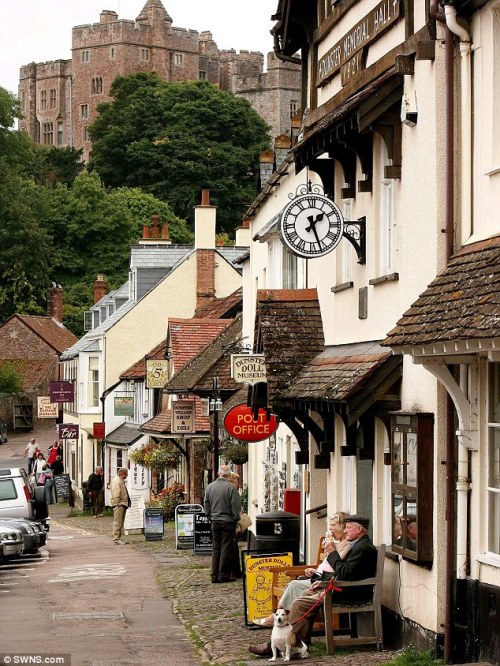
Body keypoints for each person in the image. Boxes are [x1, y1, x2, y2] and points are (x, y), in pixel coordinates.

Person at [249, 514, 378, 657]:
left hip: (350, 593)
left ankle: (285, 644)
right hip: (343, 588)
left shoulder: (362, 548)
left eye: (348, 528)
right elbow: (345, 573)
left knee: (299, 603)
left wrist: (332, 552)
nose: (346, 531)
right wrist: (322, 579)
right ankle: (299, 644)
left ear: (359, 529)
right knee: (305, 594)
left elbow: (344, 573)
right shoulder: (358, 545)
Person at [252, 512, 350, 626]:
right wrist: (315, 570)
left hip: (325, 582)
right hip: (319, 577)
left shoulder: (345, 546)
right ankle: (280, 616)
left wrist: (330, 551)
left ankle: (278, 617)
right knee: (293, 585)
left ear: (343, 527)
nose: (330, 528)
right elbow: (329, 564)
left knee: (294, 585)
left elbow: (337, 566)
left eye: (333, 525)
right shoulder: (336, 544)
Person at [204, 464, 241, 584]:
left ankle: (214, 576)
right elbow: (235, 506)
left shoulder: (210, 487)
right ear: (229, 475)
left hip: (215, 521)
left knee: (216, 548)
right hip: (228, 522)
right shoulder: (231, 488)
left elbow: (206, 505)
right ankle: (223, 575)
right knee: (226, 547)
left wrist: (210, 516)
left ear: (218, 474)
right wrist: (236, 518)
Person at [110, 467, 130, 545]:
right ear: (122, 474)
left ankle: (118, 537)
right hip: (119, 504)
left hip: (122, 503)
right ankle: (116, 538)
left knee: (120, 522)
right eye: (126, 474)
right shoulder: (117, 481)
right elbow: (116, 493)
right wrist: (117, 502)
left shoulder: (119, 480)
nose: (127, 476)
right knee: (118, 522)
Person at [229, 471, 243, 579]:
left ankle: (234, 570)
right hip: (231, 522)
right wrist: (238, 518)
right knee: (232, 547)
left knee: (233, 547)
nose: (237, 484)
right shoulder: (232, 490)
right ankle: (234, 571)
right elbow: (236, 507)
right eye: (236, 481)